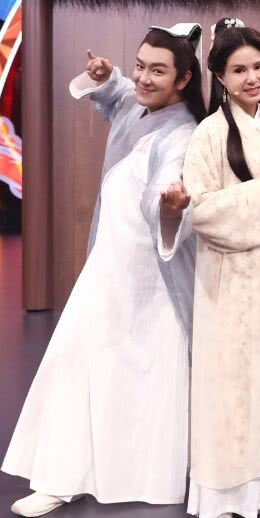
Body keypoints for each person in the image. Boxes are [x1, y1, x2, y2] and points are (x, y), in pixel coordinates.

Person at [1, 24, 205, 517]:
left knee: (143, 375)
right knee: (74, 367)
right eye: (140, 66)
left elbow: (164, 189)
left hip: (153, 279)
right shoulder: (139, 102)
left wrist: (171, 204)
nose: (143, 78)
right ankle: (61, 477)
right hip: (107, 266)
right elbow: (120, 96)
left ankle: (135, 473)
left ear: (184, 80)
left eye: (158, 71)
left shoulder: (185, 134)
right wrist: (107, 75)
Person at [180, 18, 260, 518]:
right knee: (237, 382)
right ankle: (229, 496)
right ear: (220, 77)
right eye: (239, 70)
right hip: (232, 282)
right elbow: (201, 211)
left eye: (258, 66)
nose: (252, 77)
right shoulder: (210, 133)